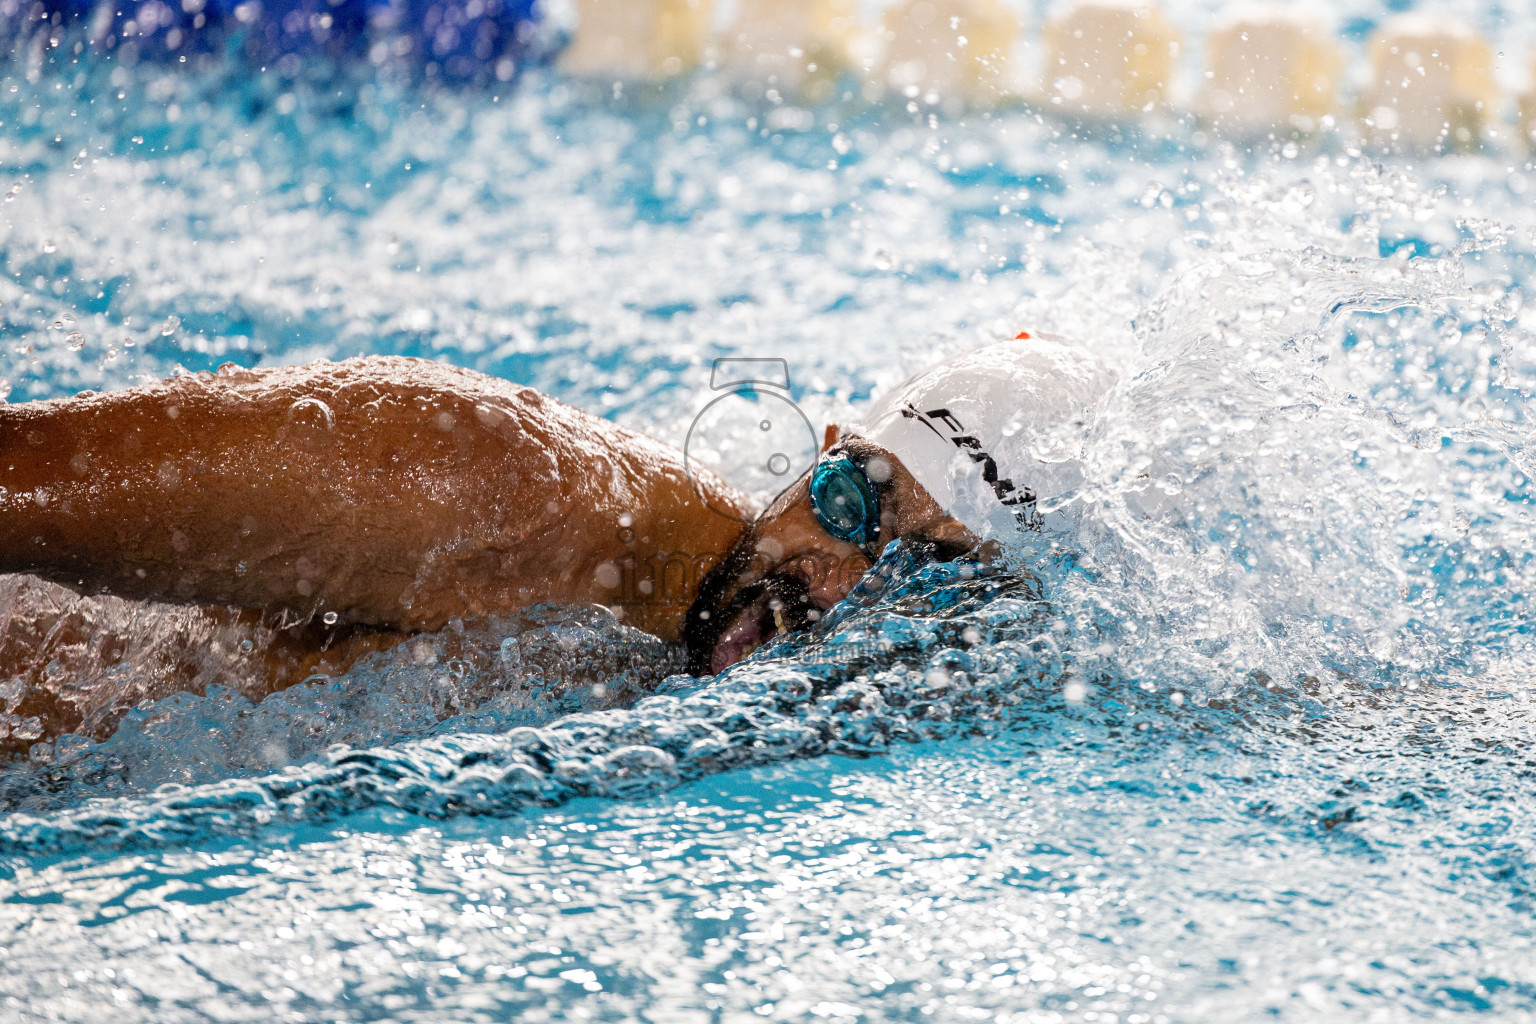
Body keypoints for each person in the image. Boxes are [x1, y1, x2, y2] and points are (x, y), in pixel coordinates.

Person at [0, 333, 1110, 744]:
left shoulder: (661, 651)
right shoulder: (489, 484)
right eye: (858, 501)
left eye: (925, 567)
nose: (841, 578)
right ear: (818, 451)